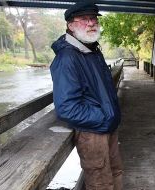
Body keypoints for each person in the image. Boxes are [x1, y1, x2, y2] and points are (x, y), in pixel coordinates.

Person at [50, 2, 123, 190]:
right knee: (100, 183)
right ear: (70, 25)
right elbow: (66, 107)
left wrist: (110, 117)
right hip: (93, 132)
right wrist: (104, 117)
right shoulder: (67, 58)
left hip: (108, 126)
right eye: (84, 19)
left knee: (116, 173)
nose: (91, 23)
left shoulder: (92, 50)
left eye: (93, 18)